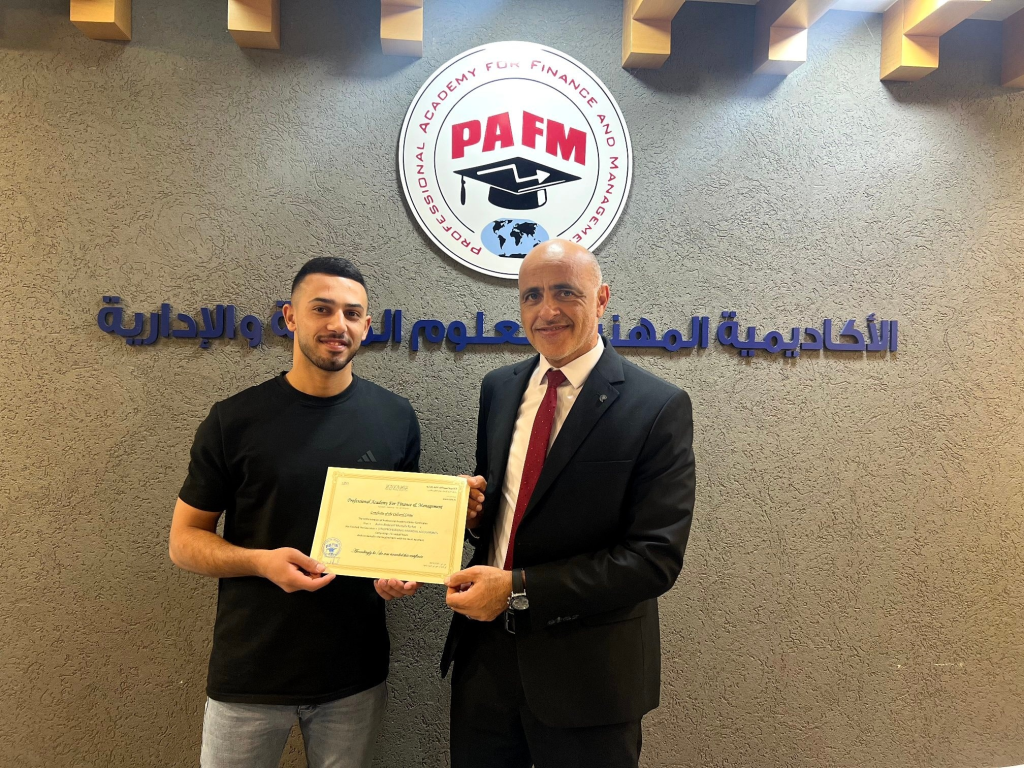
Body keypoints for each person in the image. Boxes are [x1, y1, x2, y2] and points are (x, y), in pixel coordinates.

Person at [168, 256, 484, 768]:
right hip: (250, 672)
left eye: (352, 313)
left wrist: (401, 571)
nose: (338, 324)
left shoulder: (395, 417)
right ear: (290, 317)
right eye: (322, 309)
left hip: (353, 677)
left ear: (367, 325)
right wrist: (260, 562)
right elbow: (184, 541)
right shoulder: (234, 420)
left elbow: (397, 534)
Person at [441, 240, 695, 768]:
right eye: (532, 296)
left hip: (589, 677)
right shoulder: (499, 388)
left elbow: (653, 559)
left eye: (565, 292)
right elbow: (508, 514)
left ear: (601, 299)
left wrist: (516, 589)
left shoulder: (657, 407)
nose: (547, 310)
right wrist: (474, 517)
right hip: (485, 664)